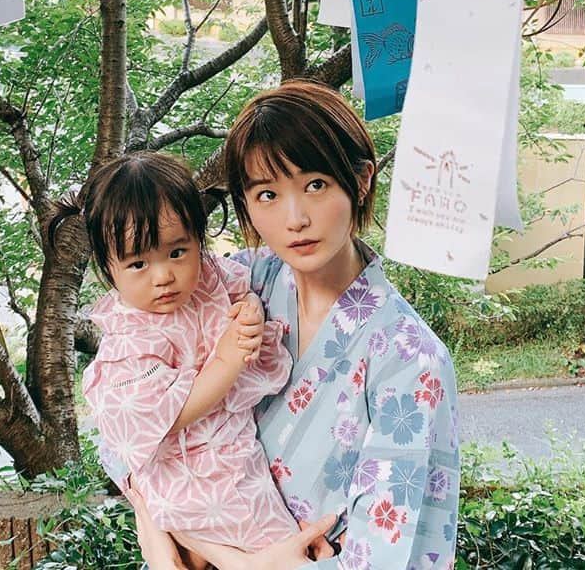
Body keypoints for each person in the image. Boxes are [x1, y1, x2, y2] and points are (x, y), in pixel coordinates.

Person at [124, 80, 461, 570]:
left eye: (315, 185)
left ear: (361, 180)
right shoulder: (236, 285)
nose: (295, 217)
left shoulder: (409, 360)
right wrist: (156, 530)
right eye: (266, 194)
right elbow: (124, 414)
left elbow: (393, 560)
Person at [79, 151, 329, 568]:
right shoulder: (131, 335)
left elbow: (239, 293)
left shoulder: (212, 279)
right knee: (264, 540)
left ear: (199, 241)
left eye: (177, 253)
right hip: (187, 470)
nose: (163, 276)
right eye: (138, 263)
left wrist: (248, 312)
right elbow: (168, 412)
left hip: (235, 455)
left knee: (272, 536)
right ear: (109, 268)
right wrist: (227, 359)